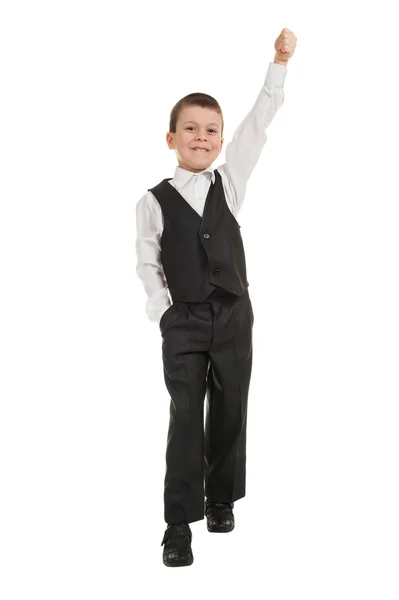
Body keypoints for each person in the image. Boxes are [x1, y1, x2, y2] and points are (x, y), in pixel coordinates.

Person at [135, 28, 297, 567]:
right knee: (186, 415)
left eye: (211, 130)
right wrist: (165, 315)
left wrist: (278, 64)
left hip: (232, 317)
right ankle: (178, 523)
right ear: (171, 138)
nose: (201, 137)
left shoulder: (229, 184)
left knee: (230, 408)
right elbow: (147, 263)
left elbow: (259, 123)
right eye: (190, 129)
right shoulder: (153, 201)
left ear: (221, 139)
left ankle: (221, 497)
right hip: (182, 322)